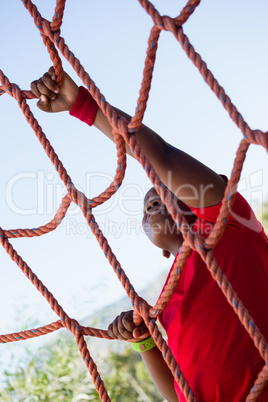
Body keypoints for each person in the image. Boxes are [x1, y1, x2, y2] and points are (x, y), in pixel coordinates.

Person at [31, 68, 268, 402]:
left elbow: (162, 158)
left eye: (163, 190)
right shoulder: (165, 306)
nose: (156, 198)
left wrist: (81, 104)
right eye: (147, 205)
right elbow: (179, 394)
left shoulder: (229, 226)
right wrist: (144, 341)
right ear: (161, 251)